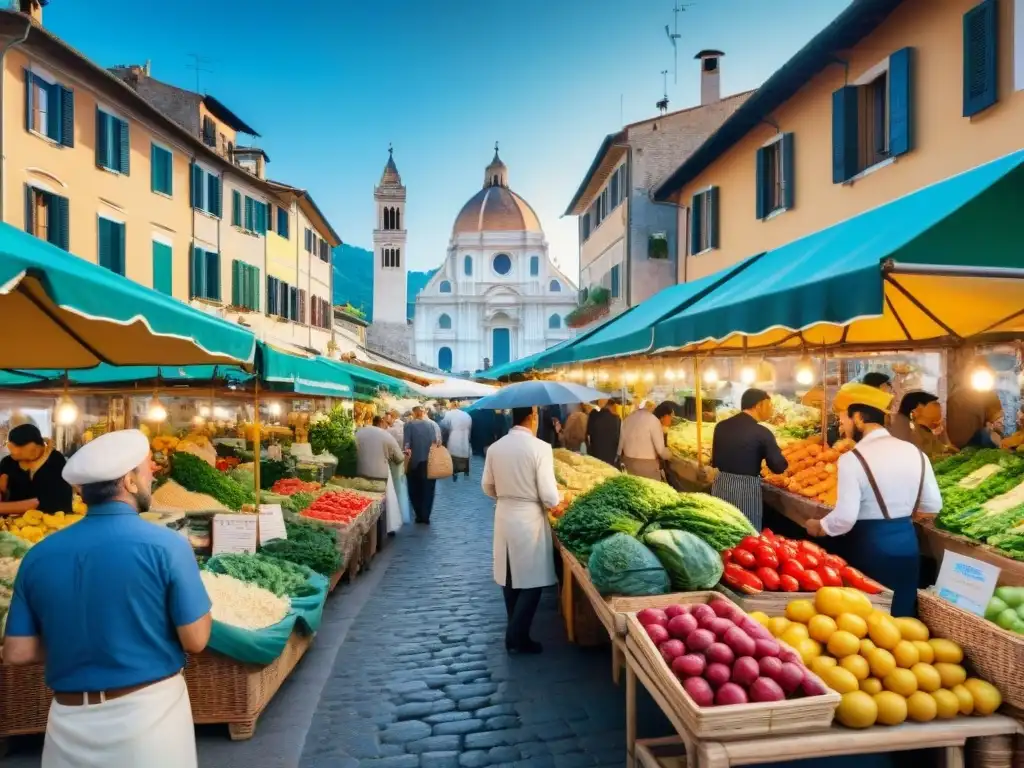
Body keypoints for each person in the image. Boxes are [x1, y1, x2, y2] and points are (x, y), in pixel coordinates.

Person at [2, 429, 211, 767]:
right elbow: (197, 639)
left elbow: (17, 651)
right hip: (151, 719)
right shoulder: (168, 546)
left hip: (68, 725)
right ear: (129, 481)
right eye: (145, 470)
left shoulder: (38, 556)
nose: (153, 474)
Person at [804, 383, 942, 617]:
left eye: (844, 418)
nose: (843, 425)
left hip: (870, 546)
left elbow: (845, 518)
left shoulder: (853, 459)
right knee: (902, 618)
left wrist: (819, 527)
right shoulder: (915, 452)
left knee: (869, 618)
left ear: (858, 418)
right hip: (907, 545)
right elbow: (932, 507)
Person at [482, 406, 560, 654]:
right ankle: (516, 634)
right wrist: (556, 504)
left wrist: (506, 496)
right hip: (529, 516)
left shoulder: (495, 448)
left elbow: (487, 486)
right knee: (533, 579)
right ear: (533, 417)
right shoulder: (540, 448)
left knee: (509, 575)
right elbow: (549, 494)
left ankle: (517, 633)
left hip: (504, 512)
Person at [710, 388, 788, 530]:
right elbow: (778, 467)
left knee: (721, 529)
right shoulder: (762, 433)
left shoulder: (721, 426)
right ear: (758, 406)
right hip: (745, 489)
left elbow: (714, 460)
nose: (771, 410)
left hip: (721, 484)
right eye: (769, 406)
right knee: (745, 532)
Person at [0, 423, 72, 515]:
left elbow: (48, 501)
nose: (14, 452)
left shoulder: (56, 460)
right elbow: (2, 486)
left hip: (51, 520)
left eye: (19, 448)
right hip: (13, 522)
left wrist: (4, 508)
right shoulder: (8, 462)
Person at [356, 416, 407, 534]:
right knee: (380, 504)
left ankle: (365, 531)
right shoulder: (386, 435)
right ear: (381, 423)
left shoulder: (359, 433)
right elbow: (399, 458)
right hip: (380, 475)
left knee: (364, 504)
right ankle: (380, 532)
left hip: (360, 473)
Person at [618, 401, 677, 480]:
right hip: (647, 468)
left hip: (628, 464)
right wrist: (671, 455)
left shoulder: (626, 420)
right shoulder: (653, 420)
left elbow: (619, 448)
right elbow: (661, 451)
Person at [405, 406, 442, 524]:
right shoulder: (432, 425)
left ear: (414, 413)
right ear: (424, 413)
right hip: (430, 462)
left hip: (414, 462)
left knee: (414, 489)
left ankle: (418, 514)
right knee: (428, 489)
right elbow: (437, 442)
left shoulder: (409, 425)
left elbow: (407, 445)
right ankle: (426, 515)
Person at [586, 400, 622, 467]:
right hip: (611, 455)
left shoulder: (593, 415)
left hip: (595, 453)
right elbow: (619, 438)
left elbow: (588, 433)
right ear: (612, 406)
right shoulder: (617, 419)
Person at [441, 406, 473, 481]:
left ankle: (455, 472)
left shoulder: (448, 414)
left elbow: (444, 426)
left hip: (453, 436)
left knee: (454, 455)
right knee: (464, 453)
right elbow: (470, 427)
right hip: (465, 435)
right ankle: (466, 471)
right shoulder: (466, 415)